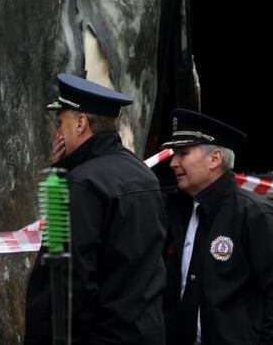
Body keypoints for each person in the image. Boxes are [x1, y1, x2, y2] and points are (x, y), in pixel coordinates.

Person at [24, 73, 167, 345]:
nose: (57, 133)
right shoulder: (142, 174)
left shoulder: (80, 183)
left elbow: (69, 283)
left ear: (80, 123)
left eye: (61, 121)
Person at [162, 108, 273, 345]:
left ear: (215, 159)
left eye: (183, 153)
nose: (173, 163)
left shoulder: (255, 215)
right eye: (174, 154)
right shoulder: (175, 210)